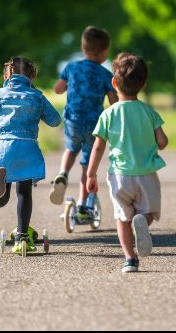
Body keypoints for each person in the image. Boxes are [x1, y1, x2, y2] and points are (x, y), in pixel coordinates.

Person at [86, 53, 168, 273]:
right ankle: (142, 221)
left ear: (114, 83)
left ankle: (129, 259)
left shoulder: (108, 114)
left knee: (122, 219)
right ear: (143, 84)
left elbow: (98, 147)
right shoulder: (149, 112)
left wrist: (90, 174)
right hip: (147, 174)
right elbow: (162, 142)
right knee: (147, 212)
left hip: (119, 176)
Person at [0, 57, 61, 254]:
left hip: (2, 149)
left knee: (0, 199)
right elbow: (56, 121)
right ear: (32, 75)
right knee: (24, 192)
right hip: (27, 149)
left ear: (7, 75)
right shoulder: (36, 96)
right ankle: (22, 235)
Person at [49, 26, 118, 219]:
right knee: (88, 164)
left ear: (83, 47)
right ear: (104, 53)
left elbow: (57, 89)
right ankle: (82, 206)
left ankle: (62, 173)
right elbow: (114, 103)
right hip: (94, 123)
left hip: (73, 119)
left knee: (71, 148)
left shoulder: (71, 67)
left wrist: (71, 85)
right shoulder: (105, 75)